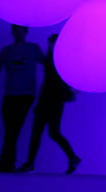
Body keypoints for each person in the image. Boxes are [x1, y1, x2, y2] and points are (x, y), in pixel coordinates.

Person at [19, 34, 80, 175]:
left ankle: (71, 158)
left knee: (48, 132)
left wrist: (71, 90)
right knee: (44, 132)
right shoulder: (54, 61)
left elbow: (55, 81)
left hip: (53, 100)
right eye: (50, 44)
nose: (51, 46)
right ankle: (31, 164)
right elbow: (48, 82)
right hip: (49, 100)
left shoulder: (59, 62)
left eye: (53, 44)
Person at [0, 24, 45, 173]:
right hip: (9, 94)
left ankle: (6, 163)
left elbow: (48, 64)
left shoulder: (33, 49)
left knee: (14, 128)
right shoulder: (6, 50)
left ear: (26, 32)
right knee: (10, 129)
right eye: (15, 30)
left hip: (26, 94)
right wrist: (0, 60)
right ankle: (6, 164)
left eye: (20, 30)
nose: (17, 33)